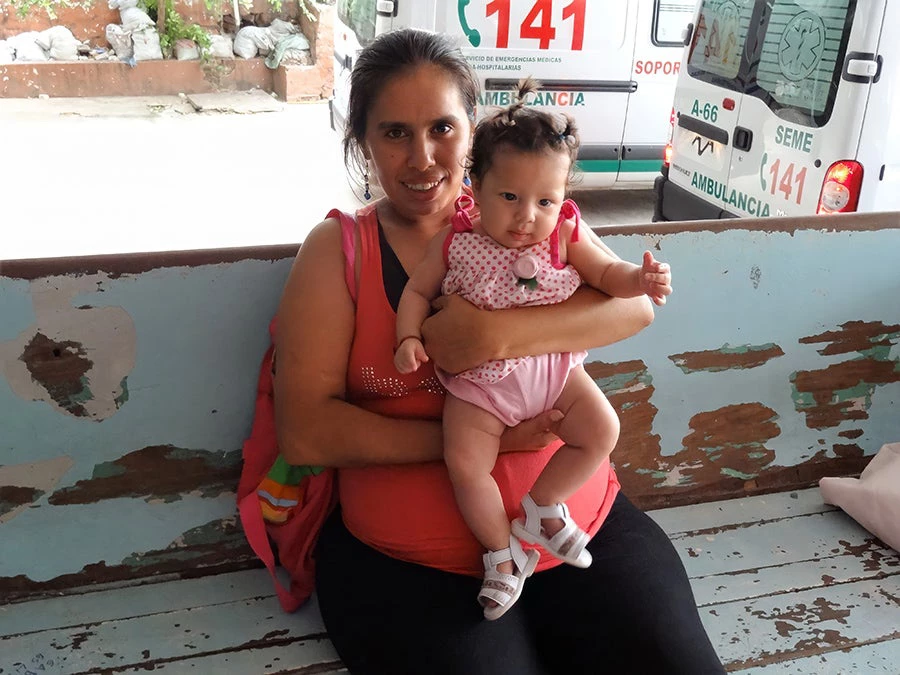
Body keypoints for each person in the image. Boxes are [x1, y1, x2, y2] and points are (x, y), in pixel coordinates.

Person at [273, 27, 725, 675]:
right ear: (363, 140)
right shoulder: (339, 251)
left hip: (577, 526)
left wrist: (496, 336)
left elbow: (633, 304)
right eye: (395, 132)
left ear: (474, 129)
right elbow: (307, 434)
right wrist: (490, 443)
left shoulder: (526, 210)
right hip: (408, 562)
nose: (423, 157)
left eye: (442, 128)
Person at [392, 79, 673, 620]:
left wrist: (641, 277)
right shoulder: (456, 238)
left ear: (564, 198)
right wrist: (408, 336)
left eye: (546, 200)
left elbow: (608, 275)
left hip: (553, 372)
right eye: (510, 198)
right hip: (480, 388)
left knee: (602, 432)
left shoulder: (565, 233)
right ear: (475, 187)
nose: (528, 217)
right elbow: (418, 291)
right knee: (466, 464)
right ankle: (501, 555)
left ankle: (543, 507)